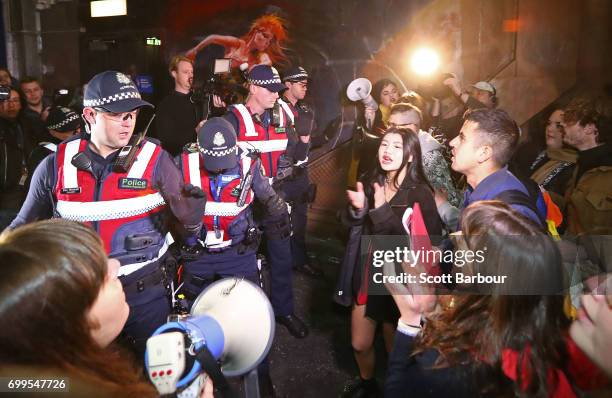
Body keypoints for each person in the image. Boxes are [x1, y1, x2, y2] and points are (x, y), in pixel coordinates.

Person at [9, 70, 205, 354]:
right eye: (117, 114)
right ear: (89, 115)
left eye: (133, 114)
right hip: (82, 297)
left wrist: (192, 220)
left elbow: (187, 230)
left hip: (146, 296)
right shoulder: (54, 166)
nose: (128, 123)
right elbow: (21, 228)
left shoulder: (157, 161)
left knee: (155, 378)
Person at [385, 200, 609, 397]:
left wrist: (410, 320)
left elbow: (398, 390)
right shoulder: (550, 338)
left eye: (463, 249)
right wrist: (430, 309)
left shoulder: (461, 370)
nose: (596, 287)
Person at [341, 127, 442, 397]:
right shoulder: (370, 178)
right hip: (367, 271)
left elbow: (427, 248)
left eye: (397, 147)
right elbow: (348, 224)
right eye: (384, 144)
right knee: (360, 344)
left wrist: (382, 210)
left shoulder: (420, 193)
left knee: (395, 348)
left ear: (410, 155)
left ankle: (395, 389)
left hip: (400, 278)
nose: (387, 151)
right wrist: (357, 210)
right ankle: (366, 382)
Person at [223, 64, 308, 338]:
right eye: (270, 89)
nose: (276, 94)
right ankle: (246, 317)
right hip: (244, 201)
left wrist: (285, 183)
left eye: (277, 88)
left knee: (282, 257)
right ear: (252, 87)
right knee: (244, 263)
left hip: (275, 197)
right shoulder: (232, 119)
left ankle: (283, 310)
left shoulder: (283, 113)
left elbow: (290, 151)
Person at [176, 117, 285, 302]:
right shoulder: (182, 163)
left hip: (238, 253)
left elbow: (270, 200)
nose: (218, 169)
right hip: (197, 254)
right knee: (191, 308)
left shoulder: (249, 163)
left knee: (247, 304)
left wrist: (278, 219)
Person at [446, 108, 544, 229]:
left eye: (462, 138)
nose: (452, 142)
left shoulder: (507, 215)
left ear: (484, 153)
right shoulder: (476, 188)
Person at [277, 66, 323, 278]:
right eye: (300, 83)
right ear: (287, 84)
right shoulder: (275, 110)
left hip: (301, 174)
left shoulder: (304, 110)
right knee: (280, 222)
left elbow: (307, 143)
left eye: (306, 83)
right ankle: (281, 261)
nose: (305, 86)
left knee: (300, 219)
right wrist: (302, 142)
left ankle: (300, 259)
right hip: (283, 176)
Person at [388, 102, 461, 209]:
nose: (389, 129)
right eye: (389, 124)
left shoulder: (429, 157)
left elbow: (449, 199)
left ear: (411, 127)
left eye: (394, 125)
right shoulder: (398, 145)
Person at [562, 97, 612, 235]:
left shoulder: (606, 169)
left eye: (570, 120)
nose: (563, 124)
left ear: (590, 128)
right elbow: (574, 208)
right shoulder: (583, 161)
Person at [186, 14, 288, 70]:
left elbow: (266, 63)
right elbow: (213, 37)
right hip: (212, 77)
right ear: (257, 31)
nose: (267, 42)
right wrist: (195, 51)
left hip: (229, 92)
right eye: (265, 36)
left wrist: (262, 66)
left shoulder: (256, 58)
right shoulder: (238, 44)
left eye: (270, 41)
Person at [529, 109, 576, 208]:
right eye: (548, 123)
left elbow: (566, 208)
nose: (550, 129)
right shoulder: (542, 154)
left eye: (558, 126)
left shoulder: (573, 167)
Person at [154, 55, 199, 157]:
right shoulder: (166, 105)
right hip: (179, 161)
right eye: (185, 72)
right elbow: (168, 142)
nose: (190, 76)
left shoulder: (200, 100)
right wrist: (195, 132)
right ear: (174, 73)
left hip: (202, 159)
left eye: (191, 72)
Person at [0, 88, 31, 230]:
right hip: (5, 193)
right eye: (5, 100)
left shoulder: (27, 124)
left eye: (15, 100)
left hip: (23, 189)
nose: (10, 105)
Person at [26, 106, 81, 186]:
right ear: (53, 132)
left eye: (79, 126)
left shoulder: (87, 145)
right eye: (71, 129)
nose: (78, 131)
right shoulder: (42, 155)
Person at [20, 76, 52, 140]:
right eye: (27, 91)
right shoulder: (20, 115)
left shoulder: (53, 106)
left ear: (42, 91)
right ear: (22, 95)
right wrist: (43, 121)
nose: (33, 94)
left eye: (36, 90)